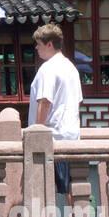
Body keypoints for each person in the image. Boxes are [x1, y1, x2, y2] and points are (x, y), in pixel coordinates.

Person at [28, 23, 83, 203]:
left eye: (39, 44)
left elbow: (45, 102)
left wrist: (36, 131)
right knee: (71, 188)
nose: (36, 48)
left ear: (49, 44)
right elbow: (78, 101)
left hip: (52, 137)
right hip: (71, 135)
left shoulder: (48, 68)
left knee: (44, 190)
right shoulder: (71, 68)